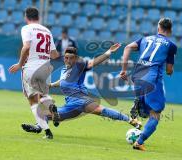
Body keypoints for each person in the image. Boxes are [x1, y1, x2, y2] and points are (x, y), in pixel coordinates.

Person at [22, 44, 142, 134]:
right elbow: (63, 81)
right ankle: (40, 126)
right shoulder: (64, 69)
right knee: (44, 114)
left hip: (82, 100)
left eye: (71, 58)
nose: (68, 60)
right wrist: (52, 85)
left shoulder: (80, 66)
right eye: (66, 58)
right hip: (70, 104)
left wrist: (108, 52)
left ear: (76, 58)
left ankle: (130, 120)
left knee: (102, 111)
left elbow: (92, 63)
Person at [120, 18, 177, 151]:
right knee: (156, 113)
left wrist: (123, 69)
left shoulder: (145, 39)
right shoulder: (171, 45)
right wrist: (170, 71)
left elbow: (127, 47)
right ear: (171, 30)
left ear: (158, 27)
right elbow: (169, 70)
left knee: (147, 110)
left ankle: (141, 103)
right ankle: (139, 142)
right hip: (152, 79)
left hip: (137, 76)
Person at [9, 7, 60, 139]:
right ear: (39, 17)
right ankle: (52, 106)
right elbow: (55, 55)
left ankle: (47, 132)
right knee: (43, 96)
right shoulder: (47, 31)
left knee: (32, 100)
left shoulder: (26, 29)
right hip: (46, 68)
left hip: (31, 67)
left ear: (26, 17)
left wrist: (20, 64)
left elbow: (26, 46)